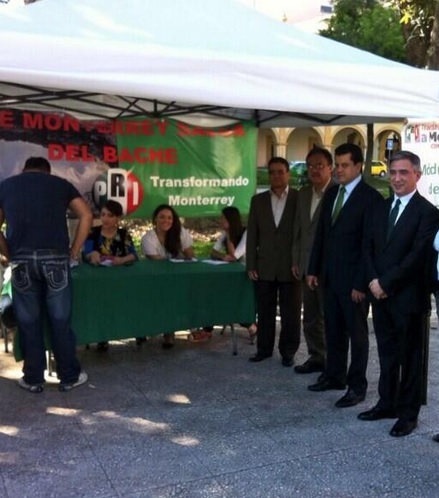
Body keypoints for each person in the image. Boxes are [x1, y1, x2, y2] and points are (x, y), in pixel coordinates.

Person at [358, 151, 439, 437]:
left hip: (408, 298)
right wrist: (373, 281)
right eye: (393, 172)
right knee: (387, 353)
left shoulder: (428, 212)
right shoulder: (380, 208)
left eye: (403, 172)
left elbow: (417, 256)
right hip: (379, 296)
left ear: (417, 175)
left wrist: (385, 283)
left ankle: (408, 414)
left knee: (410, 358)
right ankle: (387, 403)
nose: (397, 178)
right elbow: (367, 246)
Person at [0, 156, 92, 393]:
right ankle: (69, 376)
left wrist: (9, 254)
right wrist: (74, 250)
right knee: (60, 320)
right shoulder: (60, 185)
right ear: (47, 171)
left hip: (21, 261)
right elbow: (86, 215)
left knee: (28, 322)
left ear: (25, 169)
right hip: (56, 259)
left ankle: (33, 379)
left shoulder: (6, 186)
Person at [306, 143, 383, 408]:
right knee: (333, 330)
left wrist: (362, 283)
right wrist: (313, 269)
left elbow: (369, 245)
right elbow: (321, 235)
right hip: (329, 278)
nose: (339, 170)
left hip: (355, 283)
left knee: (357, 335)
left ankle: (356, 386)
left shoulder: (371, 198)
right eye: (337, 165)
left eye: (344, 165)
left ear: (358, 166)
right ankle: (334, 376)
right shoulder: (332, 194)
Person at [246, 156, 301, 367]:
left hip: (291, 266)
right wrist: (251, 264)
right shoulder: (258, 201)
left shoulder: (299, 199)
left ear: (288, 174)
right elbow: (253, 234)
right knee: (265, 311)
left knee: (291, 314)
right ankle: (264, 349)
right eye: (272, 172)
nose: (276, 176)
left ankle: (288, 352)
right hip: (265, 266)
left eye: (280, 172)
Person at [292, 147, 335, 374]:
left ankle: (332, 361)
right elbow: (298, 230)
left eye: (320, 165)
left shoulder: (337, 193)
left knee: (329, 317)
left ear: (330, 168)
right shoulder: (303, 194)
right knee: (310, 316)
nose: (315, 170)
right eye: (310, 166)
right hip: (305, 265)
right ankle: (316, 356)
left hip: (327, 269)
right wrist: (296, 260)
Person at [83, 199, 138, 351]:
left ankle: (135, 331)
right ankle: (102, 337)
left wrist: (122, 260)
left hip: (120, 280)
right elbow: (86, 253)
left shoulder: (123, 234)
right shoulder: (93, 233)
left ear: (118, 218)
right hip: (98, 281)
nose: (105, 219)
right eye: (103, 215)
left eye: (110, 215)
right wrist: (92, 255)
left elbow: (133, 255)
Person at [141, 204, 194, 349]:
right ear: (155, 219)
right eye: (162, 217)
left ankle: (170, 332)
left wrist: (185, 255)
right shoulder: (148, 238)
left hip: (177, 278)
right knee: (165, 294)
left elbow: (190, 255)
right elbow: (159, 264)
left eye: (170, 218)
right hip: (155, 280)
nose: (166, 220)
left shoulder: (181, 232)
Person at [201, 206, 257, 342]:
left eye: (223, 218)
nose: (220, 221)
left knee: (230, 296)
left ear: (230, 220)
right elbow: (213, 252)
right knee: (212, 292)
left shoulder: (246, 233)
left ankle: (249, 324)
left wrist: (229, 237)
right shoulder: (225, 234)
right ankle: (207, 328)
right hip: (232, 274)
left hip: (247, 275)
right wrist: (223, 256)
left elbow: (234, 256)